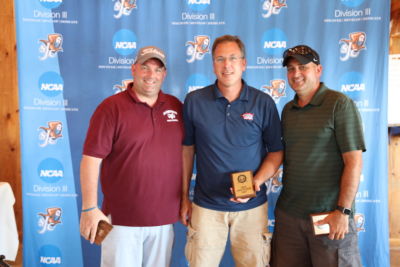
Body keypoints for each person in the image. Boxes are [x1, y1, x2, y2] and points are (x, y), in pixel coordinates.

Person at [180, 35, 284, 267]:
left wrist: (256, 182)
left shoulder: (263, 102)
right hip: (206, 206)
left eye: (233, 58)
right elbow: (187, 150)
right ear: (213, 64)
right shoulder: (194, 101)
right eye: (220, 59)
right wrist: (184, 197)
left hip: (252, 208)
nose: (227, 65)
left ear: (244, 63)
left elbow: (276, 152)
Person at [79, 46, 183, 267]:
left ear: (164, 75)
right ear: (134, 69)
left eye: (157, 70)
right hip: (120, 221)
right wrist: (89, 207)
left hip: (163, 221)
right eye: (145, 68)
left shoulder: (176, 106)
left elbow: (188, 152)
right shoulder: (111, 108)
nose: (151, 75)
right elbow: (91, 159)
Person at [271, 45, 366, 267]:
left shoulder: (339, 104)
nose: (296, 74)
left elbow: (354, 162)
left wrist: (343, 211)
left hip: (329, 216)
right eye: (291, 68)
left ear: (318, 69)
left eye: (303, 67)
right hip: (290, 218)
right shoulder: (287, 110)